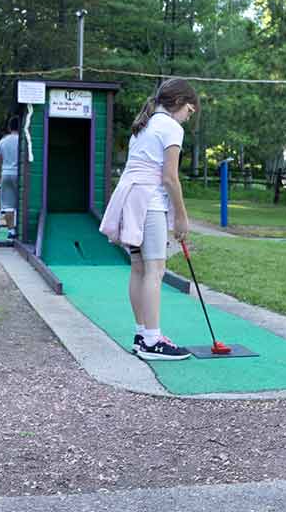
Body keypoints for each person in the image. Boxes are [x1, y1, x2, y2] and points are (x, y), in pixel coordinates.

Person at [99, 78, 199, 361]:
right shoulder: (171, 127)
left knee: (139, 268)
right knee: (155, 270)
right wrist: (181, 217)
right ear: (178, 102)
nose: (188, 117)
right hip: (149, 203)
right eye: (189, 110)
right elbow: (169, 178)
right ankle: (153, 341)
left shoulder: (143, 126)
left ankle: (142, 335)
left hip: (130, 201)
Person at [0, 116, 21, 239]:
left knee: (7, 205)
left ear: (9, 127)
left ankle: (11, 231)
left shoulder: (2, 141)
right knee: (21, 203)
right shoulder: (22, 140)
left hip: (6, 173)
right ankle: (20, 230)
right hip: (20, 174)